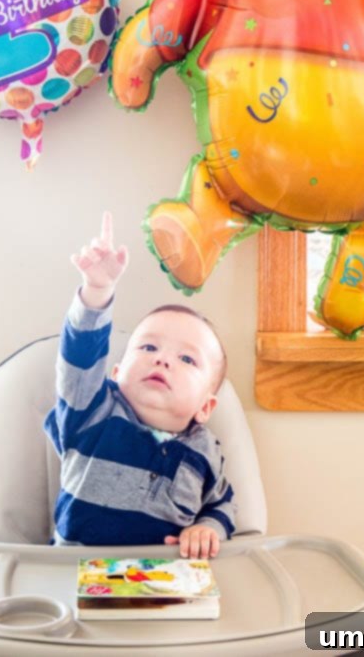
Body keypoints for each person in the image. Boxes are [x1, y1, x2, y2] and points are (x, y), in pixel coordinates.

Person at [44, 212, 235, 559]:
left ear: (205, 407)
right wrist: (97, 291)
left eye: (187, 359)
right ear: (115, 375)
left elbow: (222, 505)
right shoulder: (92, 412)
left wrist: (207, 528)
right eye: (148, 347)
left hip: (164, 588)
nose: (162, 360)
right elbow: (80, 359)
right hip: (72, 578)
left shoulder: (205, 453)